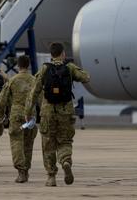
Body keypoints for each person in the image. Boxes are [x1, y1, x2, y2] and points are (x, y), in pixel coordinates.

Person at [25, 42, 90, 187]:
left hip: (47, 112)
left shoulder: (44, 69)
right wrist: (76, 72)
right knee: (65, 141)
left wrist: (28, 112)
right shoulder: (69, 67)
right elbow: (86, 77)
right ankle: (65, 161)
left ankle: (51, 177)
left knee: (48, 144)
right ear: (63, 54)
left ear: (51, 54)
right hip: (65, 112)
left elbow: (33, 92)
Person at [0, 55, 38, 183]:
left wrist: (1, 115)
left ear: (18, 66)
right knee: (28, 144)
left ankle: (21, 172)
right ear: (29, 65)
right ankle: (26, 171)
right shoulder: (34, 81)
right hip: (30, 117)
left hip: (16, 116)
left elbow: (2, 100)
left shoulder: (12, 80)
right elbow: (42, 99)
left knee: (16, 143)